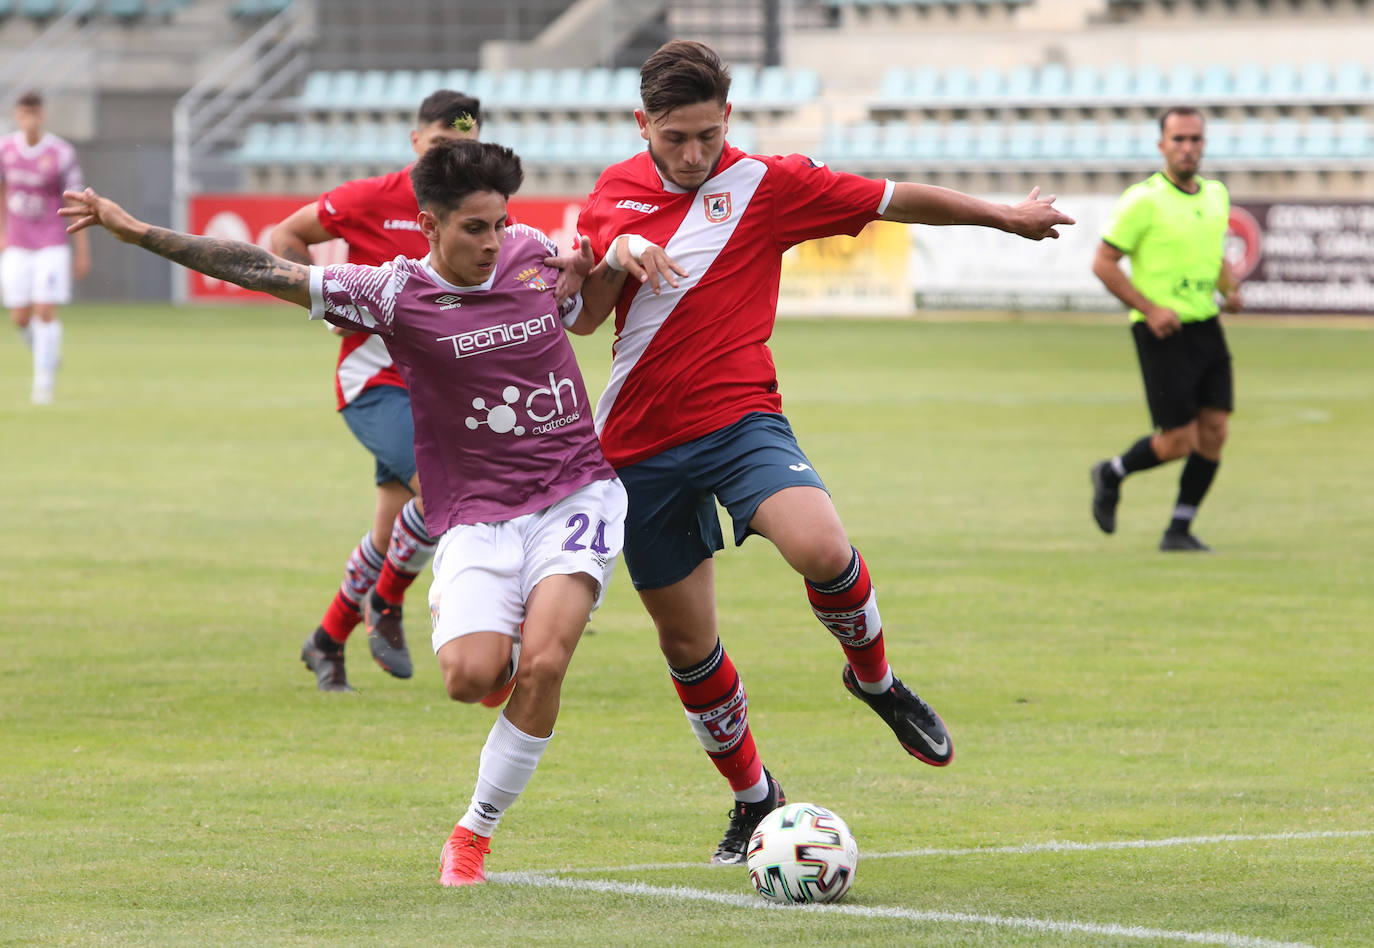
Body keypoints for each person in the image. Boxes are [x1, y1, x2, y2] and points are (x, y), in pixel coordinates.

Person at [62, 138, 623, 887]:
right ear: (429, 225)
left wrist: (602, 263)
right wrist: (140, 235)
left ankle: (473, 834)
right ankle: (503, 646)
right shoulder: (393, 294)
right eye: (472, 229)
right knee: (467, 676)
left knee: (548, 663)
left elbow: (586, 281)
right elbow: (262, 267)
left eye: (498, 224)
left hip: (575, 491)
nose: (492, 242)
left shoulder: (528, 252)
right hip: (479, 512)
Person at [566, 40, 1074, 866]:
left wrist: (1003, 216)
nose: (693, 155)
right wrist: (606, 261)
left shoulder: (768, 183)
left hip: (739, 421)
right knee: (687, 646)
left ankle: (873, 679)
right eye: (674, 139)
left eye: (706, 135)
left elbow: (891, 197)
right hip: (638, 444)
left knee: (822, 546)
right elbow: (594, 297)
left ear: (727, 118)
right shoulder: (616, 189)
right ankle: (753, 797)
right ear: (642, 127)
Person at [270, 90, 484, 691]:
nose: (450, 159)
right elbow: (288, 234)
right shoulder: (369, 199)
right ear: (416, 141)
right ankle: (386, 607)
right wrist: (322, 303)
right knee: (448, 496)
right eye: (441, 145)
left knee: (395, 532)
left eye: (463, 148)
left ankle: (326, 639)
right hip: (377, 384)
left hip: (439, 393)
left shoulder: (481, 214)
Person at [1089, 106, 1241, 552]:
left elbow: (1214, 256)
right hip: (1161, 333)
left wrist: (1229, 290)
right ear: (1162, 145)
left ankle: (1179, 528)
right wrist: (1150, 308)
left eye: (1195, 139)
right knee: (1178, 441)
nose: (1187, 147)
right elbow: (1103, 263)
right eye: (1178, 139)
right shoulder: (1143, 200)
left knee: (1215, 432)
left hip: (1206, 327)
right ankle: (1111, 472)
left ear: (1204, 144)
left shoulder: (1216, 195)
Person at [1, 90, 90, 404]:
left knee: (44, 309)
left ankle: (43, 383)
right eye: (24, 113)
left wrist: (81, 249)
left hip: (51, 242)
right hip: (17, 243)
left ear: (43, 115)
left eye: (34, 113)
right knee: (20, 317)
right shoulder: (5, 148)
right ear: (17, 115)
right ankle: (46, 353)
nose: (29, 119)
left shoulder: (61, 152)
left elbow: (75, 200)